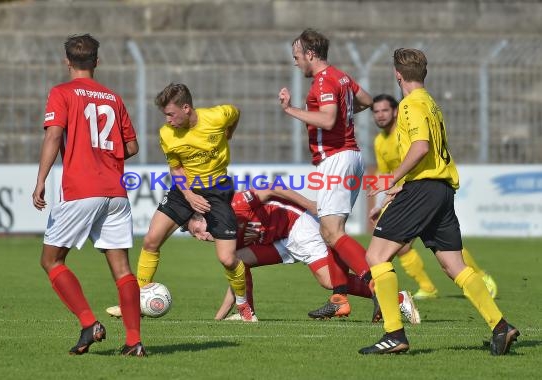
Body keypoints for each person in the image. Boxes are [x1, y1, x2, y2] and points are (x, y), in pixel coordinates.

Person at [358, 48, 519, 355]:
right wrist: (399, 188)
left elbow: (419, 148)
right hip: (441, 190)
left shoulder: (409, 105)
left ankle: (394, 334)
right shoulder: (431, 103)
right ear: (424, 73)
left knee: (376, 256)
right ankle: (500, 326)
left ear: (397, 75)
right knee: (454, 265)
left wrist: (393, 180)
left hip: (424, 189)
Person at [32, 34, 145, 356]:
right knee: (122, 269)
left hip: (82, 189)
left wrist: (41, 180)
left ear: (67, 61)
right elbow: (132, 147)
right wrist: (103, 153)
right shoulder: (113, 98)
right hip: (116, 192)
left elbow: (54, 135)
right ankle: (134, 342)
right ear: (97, 61)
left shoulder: (61, 93)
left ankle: (88, 323)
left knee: (51, 259)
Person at [184, 188, 420, 325]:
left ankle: (397, 299)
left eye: (197, 231)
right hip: (280, 242)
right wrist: (218, 319)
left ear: (204, 217)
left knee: (329, 282)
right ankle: (247, 314)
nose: (200, 237)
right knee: (238, 261)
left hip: (298, 226)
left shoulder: (236, 204)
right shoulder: (226, 238)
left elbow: (274, 188)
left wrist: (310, 205)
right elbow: (233, 275)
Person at [127, 83, 257, 321]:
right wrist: (188, 195)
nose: (168, 120)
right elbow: (175, 168)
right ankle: (135, 302)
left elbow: (235, 113)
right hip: (184, 190)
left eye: (171, 114)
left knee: (228, 258)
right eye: (165, 115)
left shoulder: (217, 116)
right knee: (150, 241)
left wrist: (229, 134)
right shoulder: (167, 134)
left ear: (186, 108)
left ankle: (243, 307)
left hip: (218, 189)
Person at [278, 28, 376, 316]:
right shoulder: (341, 76)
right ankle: (340, 299)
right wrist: (346, 113)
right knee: (328, 231)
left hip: (337, 158)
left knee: (332, 232)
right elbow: (367, 100)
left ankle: (381, 289)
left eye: (297, 56)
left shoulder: (323, 80)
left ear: (310, 54)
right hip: (349, 156)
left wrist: (291, 110)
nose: (295, 62)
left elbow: (328, 118)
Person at [370, 94, 498, 300]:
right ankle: (428, 287)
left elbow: (417, 161)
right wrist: (382, 203)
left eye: (384, 110)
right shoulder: (379, 141)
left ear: (395, 112)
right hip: (402, 192)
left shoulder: (405, 133)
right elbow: (384, 174)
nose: (380, 115)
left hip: (418, 190)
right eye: (376, 112)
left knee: (435, 249)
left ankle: (479, 277)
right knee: (405, 247)